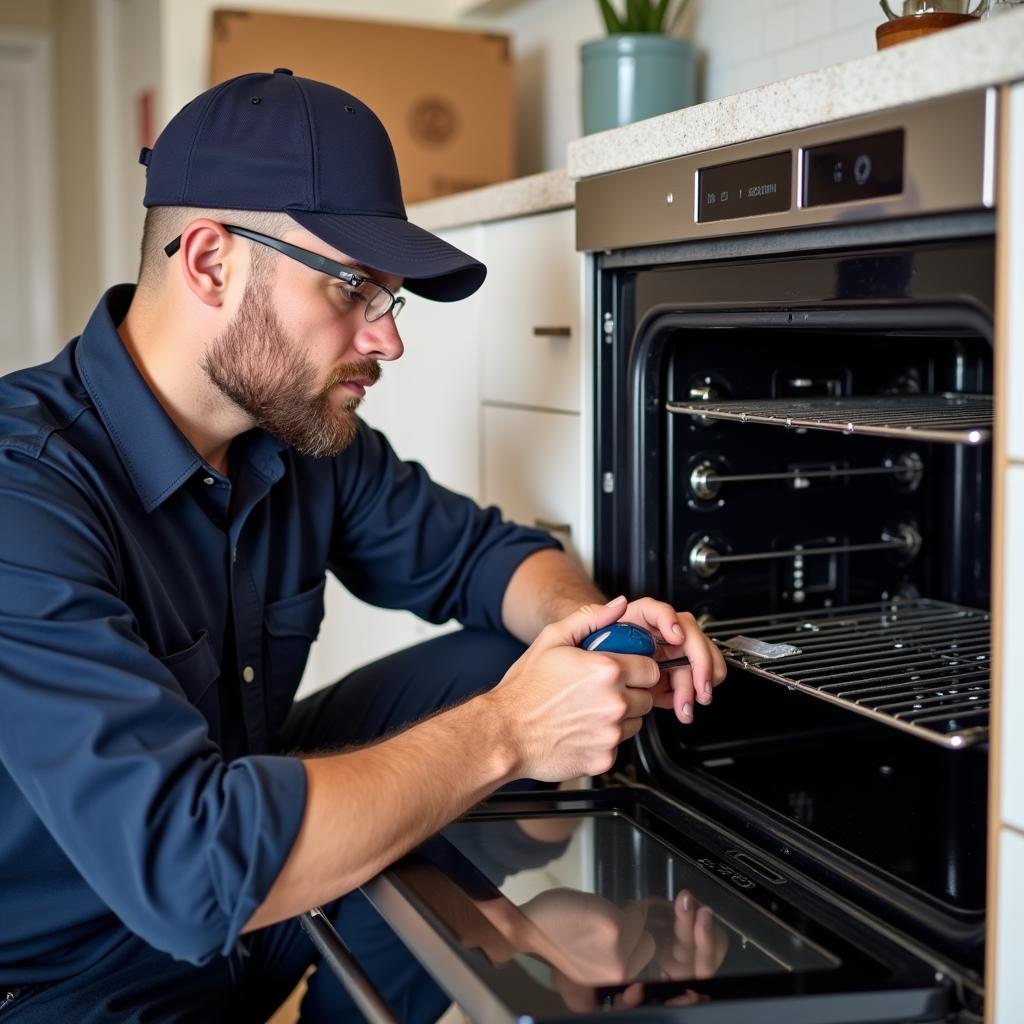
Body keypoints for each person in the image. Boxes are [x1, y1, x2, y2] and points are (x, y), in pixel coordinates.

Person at [0, 70, 726, 1023]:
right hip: (78, 972)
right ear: (211, 262)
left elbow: (482, 559)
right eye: (352, 287)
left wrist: (597, 634)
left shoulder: (292, 434)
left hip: (262, 891)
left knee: (508, 655)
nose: (385, 338)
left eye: (389, 297)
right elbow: (187, 869)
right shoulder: (26, 490)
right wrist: (513, 733)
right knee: (486, 718)